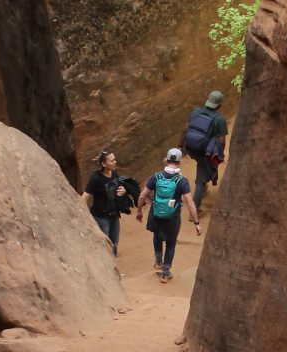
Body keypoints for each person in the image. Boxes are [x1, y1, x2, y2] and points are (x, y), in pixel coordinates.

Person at [136, 147, 201, 282]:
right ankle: (165, 274)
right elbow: (190, 204)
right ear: (179, 161)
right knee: (171, 243)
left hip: (156, 214)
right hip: (173, 218)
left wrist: (139, 211)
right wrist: (196, 223)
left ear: (167, 160)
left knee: (157, 236)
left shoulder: (156, 177)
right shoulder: (182, 181)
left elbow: (142, 196)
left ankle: (158, 262)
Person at [182, 90, 228, 213]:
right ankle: (194, 211)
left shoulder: (196, 112)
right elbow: (222, 141)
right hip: (205, 151)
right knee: (201, 179)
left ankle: (203, 184)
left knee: (201, 166)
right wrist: (219, 155)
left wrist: (181, 146)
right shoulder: (220, 119)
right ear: (219, 105)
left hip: (191, 147)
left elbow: (185, 130)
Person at [82, 148, 126, 256]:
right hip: (101, 218)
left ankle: (114, 271)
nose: (115, 162)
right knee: (105, 245)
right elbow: (85, 196)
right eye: (111, 161)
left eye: (114, 159)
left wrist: (123, 190)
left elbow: (119, 187)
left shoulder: (114, 173)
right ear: (103, 164)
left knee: (114, 243)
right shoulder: (96, 178)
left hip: (114, 215)